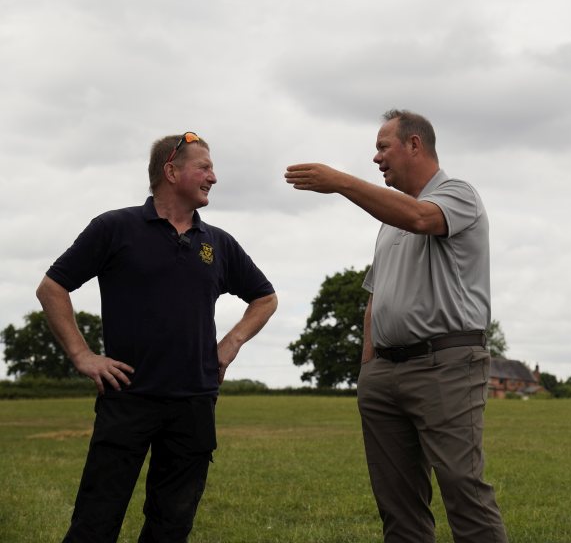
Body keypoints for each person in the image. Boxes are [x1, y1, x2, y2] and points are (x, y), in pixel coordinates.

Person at [37, 132, 278, 542]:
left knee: (172, 524)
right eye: (204, 167)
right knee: (96, 521)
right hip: (128, 396)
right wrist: (81, 354)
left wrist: (231, 343)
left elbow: (265, 298)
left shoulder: (217, 242)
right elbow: (52, 287)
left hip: (194, 402)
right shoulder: (115, 228)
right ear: (171, 171)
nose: (213, 177)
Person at [285, 109, 507, 542]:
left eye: (383, 147)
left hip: (445, 363)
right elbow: (376, 296)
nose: (376, 158)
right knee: (398, 503)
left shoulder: (458, 194)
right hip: (385, 372)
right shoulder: (389, 218)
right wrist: (369, 368)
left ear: (415, 145)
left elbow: (422, 219)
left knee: (463, 489)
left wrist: (341, 182)